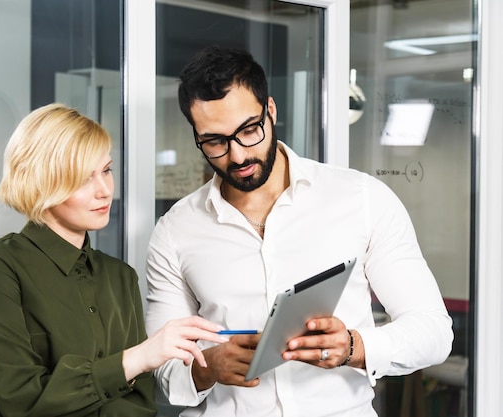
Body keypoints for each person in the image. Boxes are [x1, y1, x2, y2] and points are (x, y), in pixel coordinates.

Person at [144, 45, 453, 416]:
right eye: (215, 141)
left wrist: (355, 347)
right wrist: (204, 369)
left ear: (271, 111)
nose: (238, 154)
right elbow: (159, 372)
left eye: (249, 130)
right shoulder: (176, 230)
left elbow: (433, 332)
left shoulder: (362, 198)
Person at [0, 103, 228, 417]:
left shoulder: (120, 277)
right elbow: (21, 402)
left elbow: (138, 404)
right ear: (42, 180)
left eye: (106, 170)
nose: (104, 190)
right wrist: (136, 358)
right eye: (84, 178)